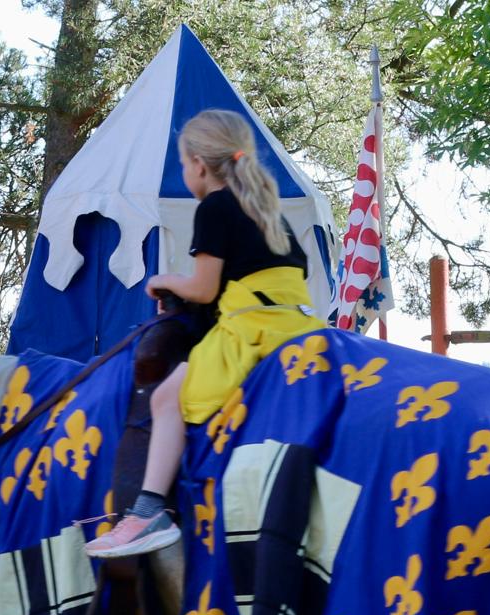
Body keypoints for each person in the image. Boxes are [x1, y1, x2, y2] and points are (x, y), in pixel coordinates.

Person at [84, 109, 323, 558]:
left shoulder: (215, 207)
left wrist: (164, 280)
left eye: (182, 163)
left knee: (165, 398)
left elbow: (205, 288)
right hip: (300, 325)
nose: (184, 171)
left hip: (253, 332)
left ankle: (149, 512)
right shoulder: (268, 211)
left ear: (197, 164)